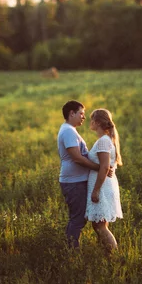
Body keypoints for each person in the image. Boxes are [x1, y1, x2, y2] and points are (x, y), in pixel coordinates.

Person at [57, 100, 113, 249]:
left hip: (76, 180)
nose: (83, 117)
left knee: (79, 219)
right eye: (81, 113)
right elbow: (77, 158)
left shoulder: (70, 130)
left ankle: (72, 250)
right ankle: (72, 252)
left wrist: (103, 168)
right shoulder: (68, 131)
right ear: (71, 113)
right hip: (73, 182)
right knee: (77, 219)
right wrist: (100, 167)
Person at [85, 108, 123, 253]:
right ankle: (106, 254)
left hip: (102, 187)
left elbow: (105, 166)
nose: (90, 123)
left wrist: (96, 190)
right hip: (104, 185)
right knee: (98, 225)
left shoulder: (103, 141)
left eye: (91, 120)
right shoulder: (105, 140)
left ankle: (114, 255)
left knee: (100, 226)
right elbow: (106, 166)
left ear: (97, 122)